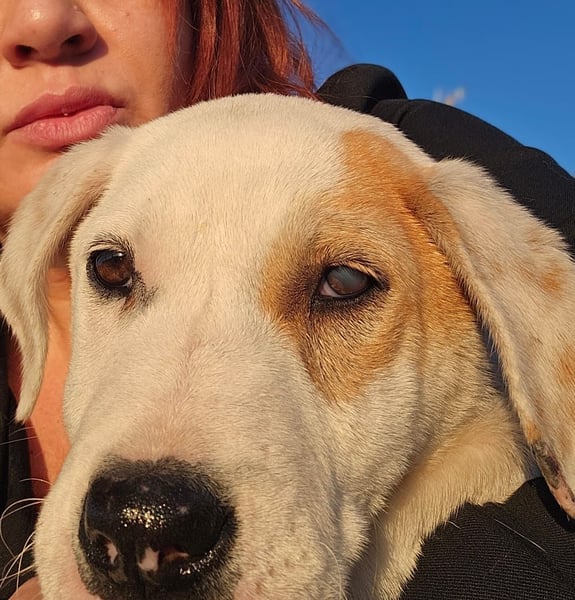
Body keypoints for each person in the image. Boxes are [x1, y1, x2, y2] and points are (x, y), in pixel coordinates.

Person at [0, 2, 573, 600]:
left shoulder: (446, 170)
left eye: (343, 286)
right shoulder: (112, 177)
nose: (41, 19)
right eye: (114, 272)